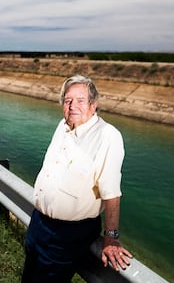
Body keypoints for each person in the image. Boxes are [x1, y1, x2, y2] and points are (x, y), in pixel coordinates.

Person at [21, 75, 132, 283]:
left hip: (67, 235)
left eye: (80, 100)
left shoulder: (107, 135)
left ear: (94, 105)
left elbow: (111, 193)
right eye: (68, 100)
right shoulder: (62, 126)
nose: (72, 106)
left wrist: (111, 237)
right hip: (38, 224)